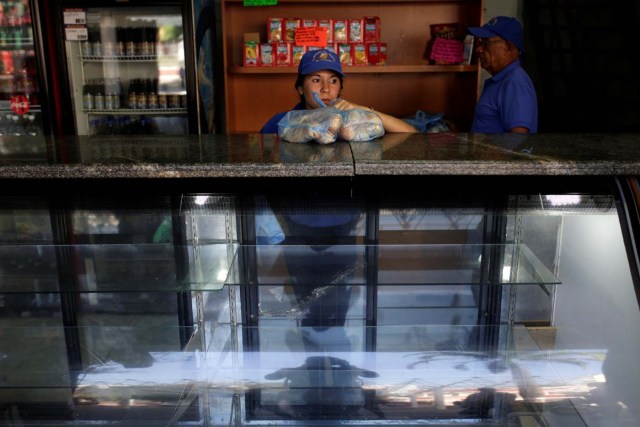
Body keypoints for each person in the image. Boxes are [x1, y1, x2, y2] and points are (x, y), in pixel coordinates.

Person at [260, 48, 416, 134]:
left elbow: (410, 133)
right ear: (300, 88)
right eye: (316, 80)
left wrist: (362, 109)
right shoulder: (282, 122)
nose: (326, 88)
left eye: (333, 81)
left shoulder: (352, 119)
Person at [467, 16, 538, 133]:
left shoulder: (515, 82)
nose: (478, 49)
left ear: (508, 47)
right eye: (480, 42)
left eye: (485, 43)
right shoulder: (503, 79)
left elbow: (517, 140)